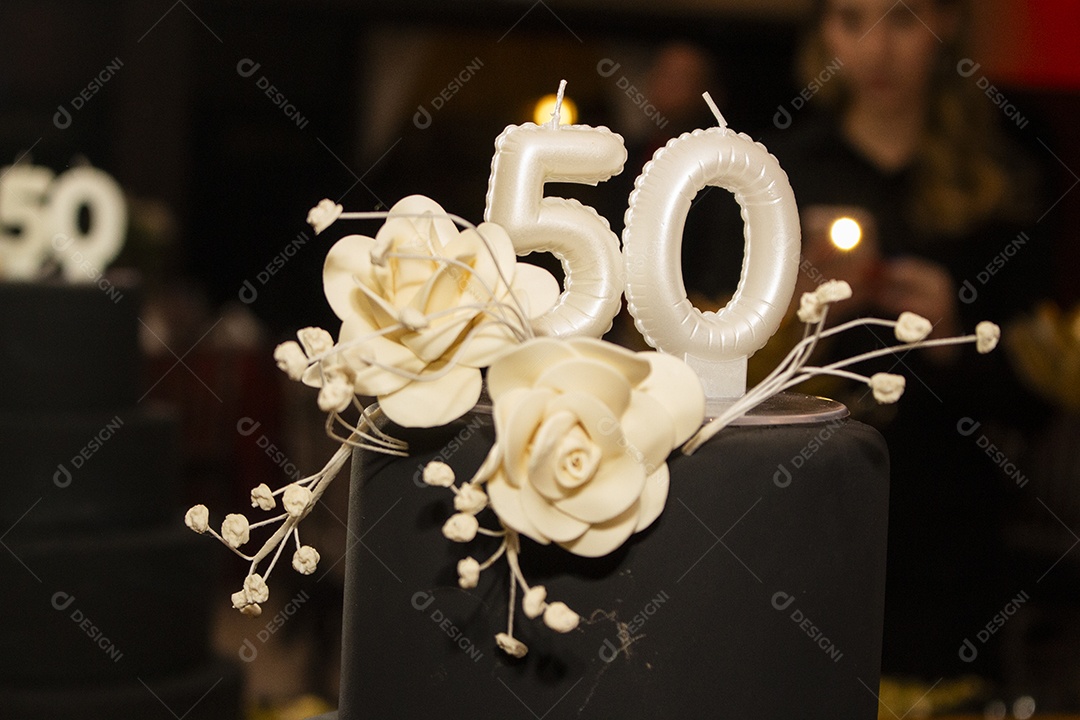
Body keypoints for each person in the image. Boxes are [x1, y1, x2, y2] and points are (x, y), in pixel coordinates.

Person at [764, 0, 1052, 683]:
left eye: (900, 20)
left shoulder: (1003, 179)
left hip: (950, 530)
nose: (876, 50)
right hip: (799, 515)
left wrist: (953, 336)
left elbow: (1042, 393)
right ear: (823, 31)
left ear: (944, 23)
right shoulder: (776, 175)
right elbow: (717, 375)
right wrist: (798, 317)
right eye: (850, 19)